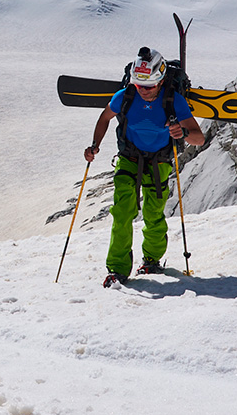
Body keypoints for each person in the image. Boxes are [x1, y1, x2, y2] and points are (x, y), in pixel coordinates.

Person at [83, 47, 204, 285]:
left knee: (153, 214)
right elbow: (105, 117)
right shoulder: (125, 96)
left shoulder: (174, 101)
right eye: (139, 85)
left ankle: (151, 260)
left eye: (148, 86)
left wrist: (183, 133)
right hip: (128, 157)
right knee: (122, 212)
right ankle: (117, 269)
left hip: (159, 161)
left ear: (160, 81)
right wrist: (95, 145)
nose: (143, 90)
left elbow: (199, 139)